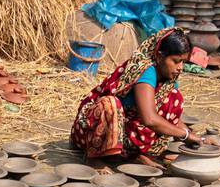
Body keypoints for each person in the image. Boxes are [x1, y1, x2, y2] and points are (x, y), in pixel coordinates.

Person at [70, 27, 206, 168]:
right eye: (176, 61)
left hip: (125, 130)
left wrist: (196, 137)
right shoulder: (146, 71)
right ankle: (94, 158)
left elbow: (172, 121)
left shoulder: (168, 78)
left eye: (183, 62)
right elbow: (149, 119)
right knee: (109, 104)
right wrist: (185, 135)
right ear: (159, 56)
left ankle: (134, 155)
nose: (180, 67)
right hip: (91, 131)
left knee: (173, 98)